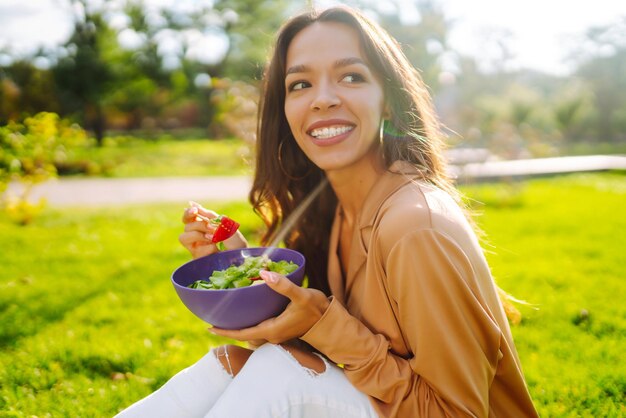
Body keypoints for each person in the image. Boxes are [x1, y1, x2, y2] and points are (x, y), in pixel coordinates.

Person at [116, 5, 539, 418]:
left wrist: (324, 323)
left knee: (278, 374)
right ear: (284, 109)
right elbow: (313, 360)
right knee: (230, 364)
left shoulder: (414, 227)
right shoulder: (334, 210)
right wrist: (245, 276)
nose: (322, 99)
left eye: (351, 77)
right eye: (300, 84)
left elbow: (459, 412)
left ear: (388, 101)